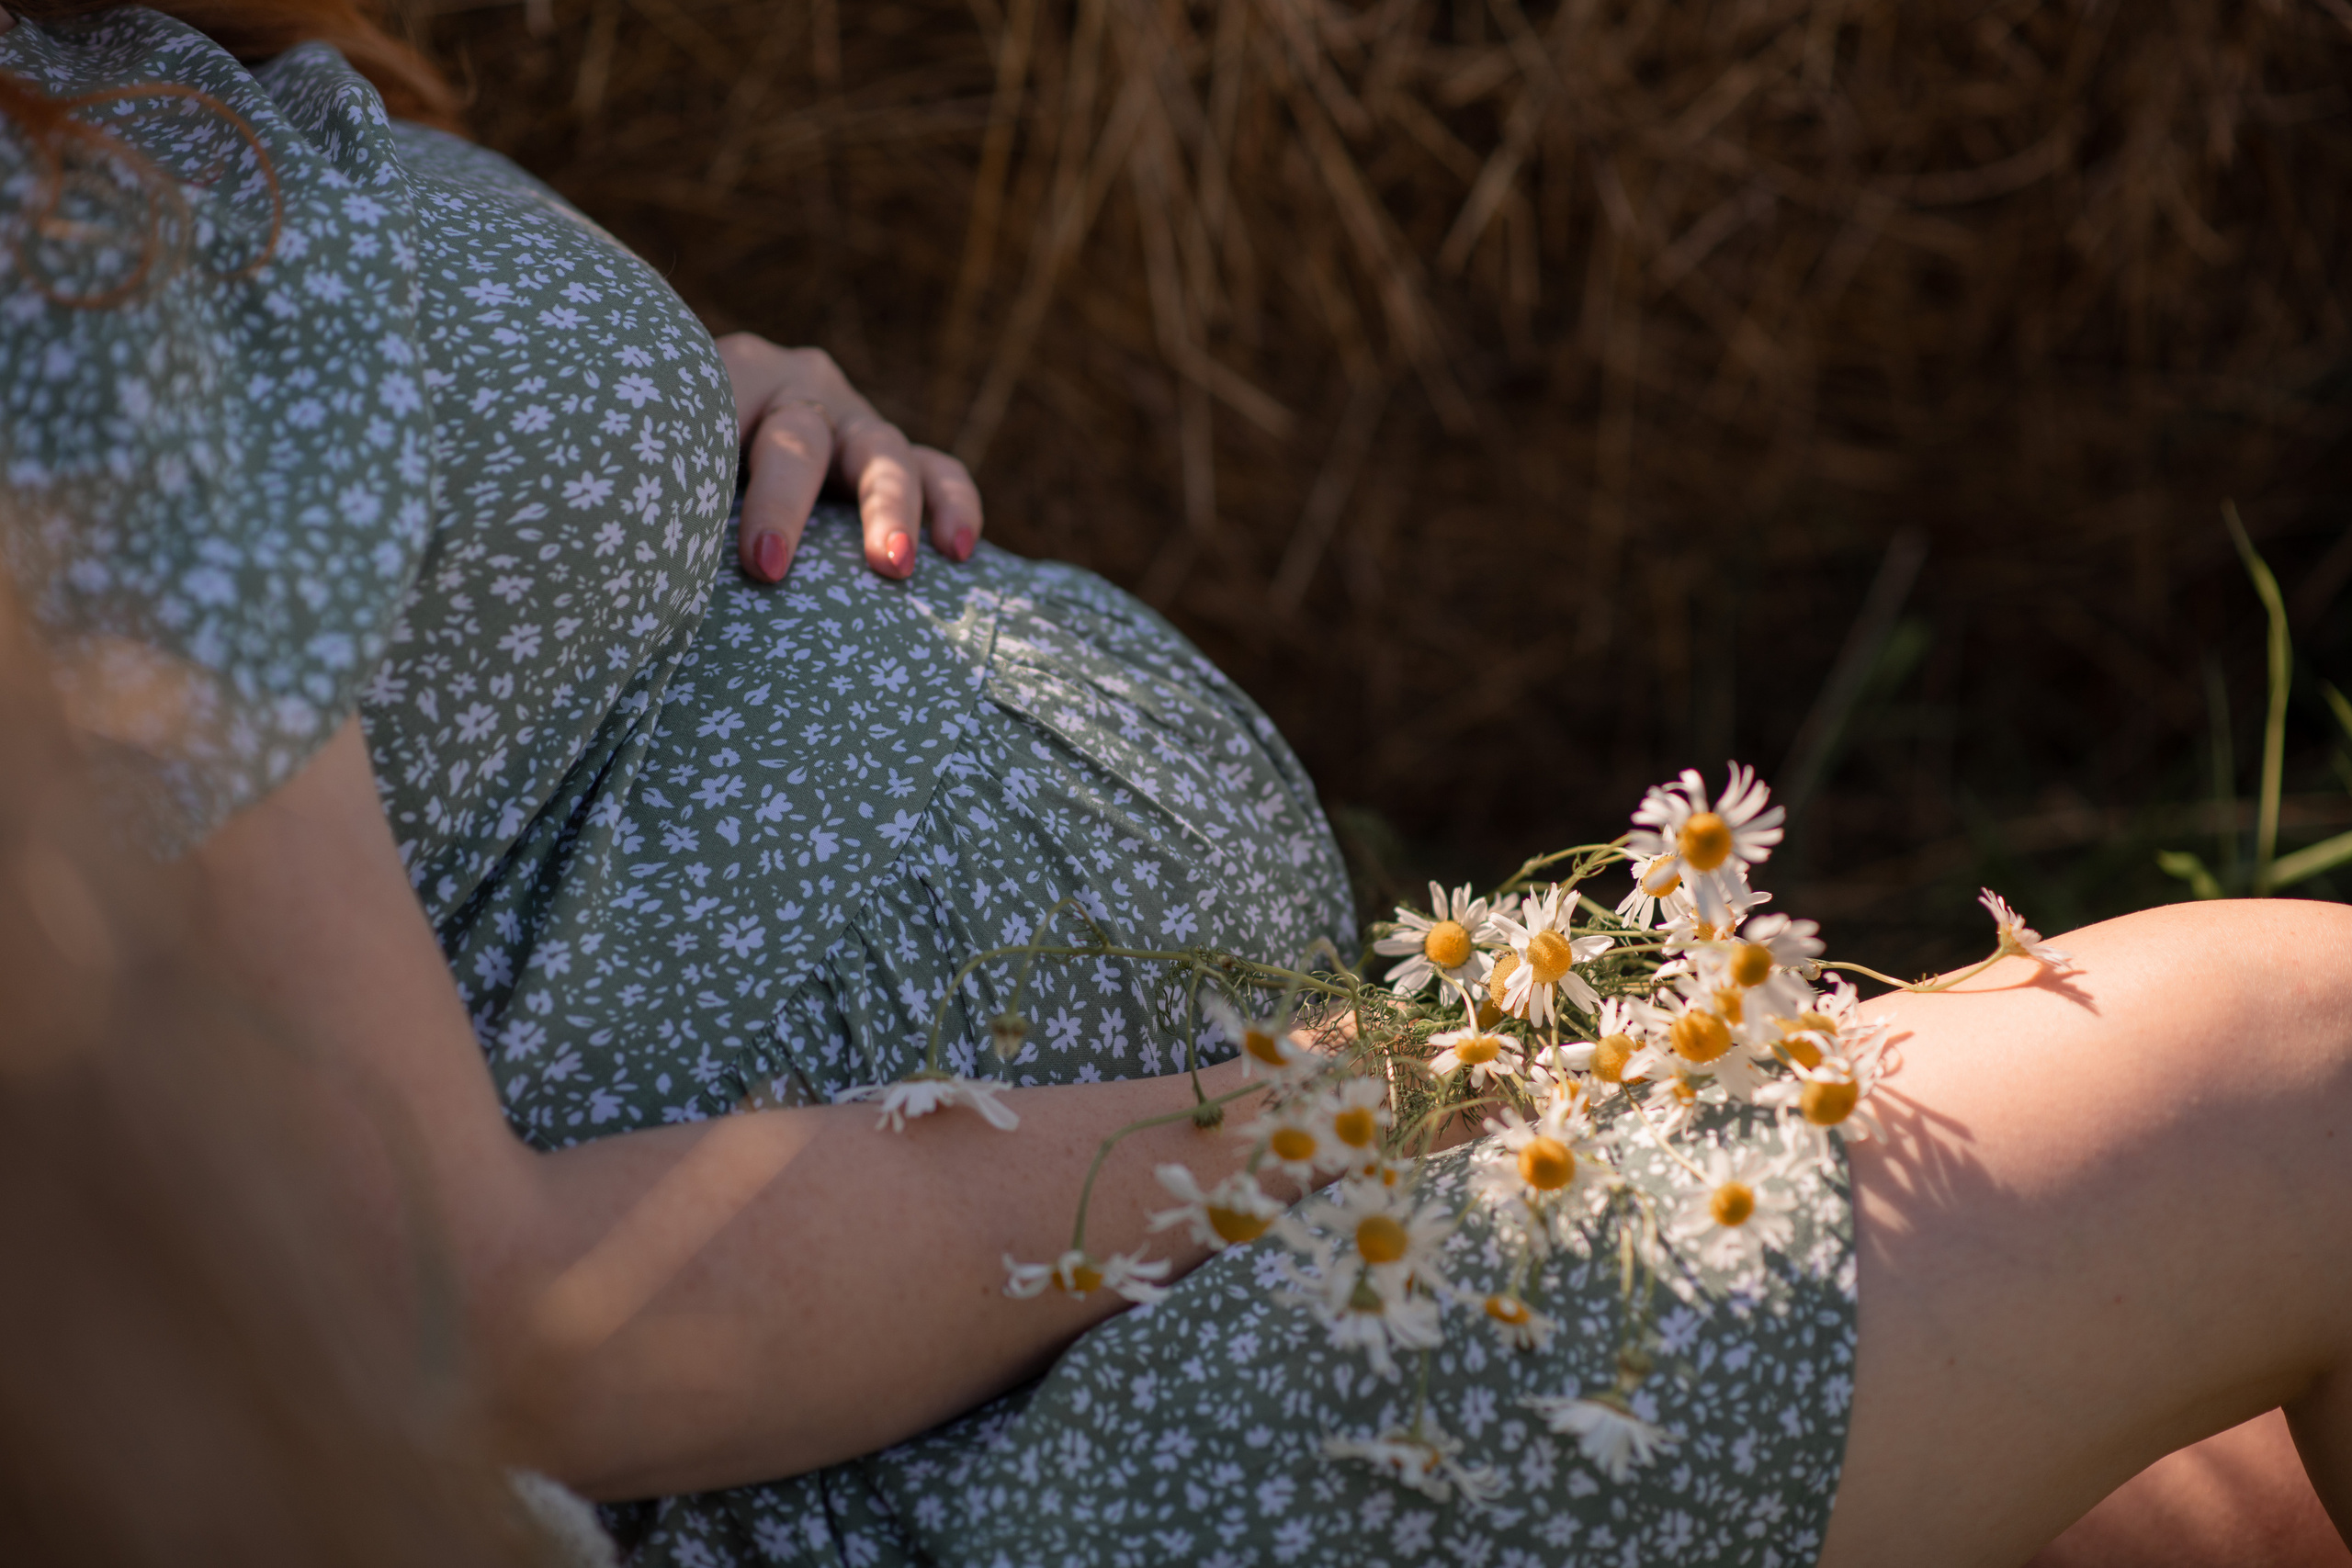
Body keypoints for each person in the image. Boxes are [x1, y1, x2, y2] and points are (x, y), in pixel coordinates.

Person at [0, 6, 2346, 1564]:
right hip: (940, 1464)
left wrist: (657, 405)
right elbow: (457, 1320)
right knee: (2298, 1081)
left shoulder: (100, 91)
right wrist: (1297, 1117)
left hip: (1124, 1275)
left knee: (2218, 1495)